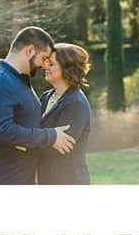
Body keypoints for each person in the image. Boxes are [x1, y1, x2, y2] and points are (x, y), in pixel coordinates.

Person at [0, 27, 77, 185]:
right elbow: (4, 132)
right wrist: (50, 136)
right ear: (29, 51)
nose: (44, 65)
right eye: (43, 58)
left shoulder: (20, 81)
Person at [34, 44, 94, 185]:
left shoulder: (76, 103)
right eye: (46, 61)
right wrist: (46, 137)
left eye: (51, 63)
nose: (45, 66)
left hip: (69, 179)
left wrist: (24, 142)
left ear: (67, 68)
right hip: (46, 178)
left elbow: (61, 148)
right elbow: (38, 132)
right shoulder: (46, 97)